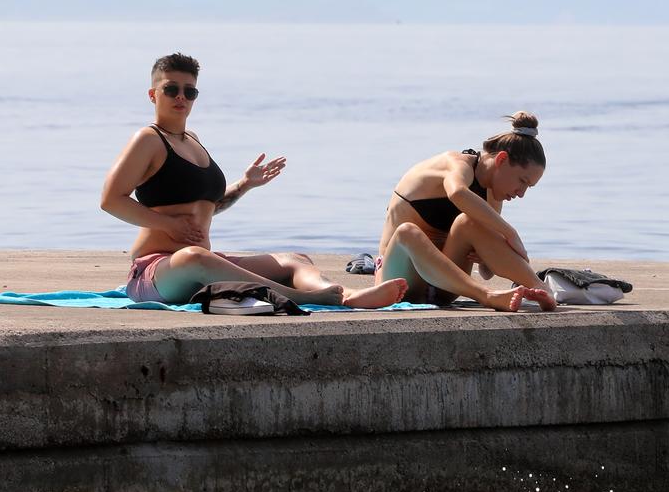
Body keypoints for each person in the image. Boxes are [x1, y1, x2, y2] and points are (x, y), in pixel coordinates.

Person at [101, 52, 408, 308]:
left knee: (293, 259)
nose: (181, 97)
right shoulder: (148, 139)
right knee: (194, 257)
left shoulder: (192, 140)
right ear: (153, 94)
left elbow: (205, 208)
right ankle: (300, 297)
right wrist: (169, 226)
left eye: (189, 91)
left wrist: (244, 185)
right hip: (154, 272)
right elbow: (110, 200)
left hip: (203, 262)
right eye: (171, 89)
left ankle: (349, 295)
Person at [376, 113, 557, 311]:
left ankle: (541, 289)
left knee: (467, 222)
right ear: (502, 159)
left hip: (443, 288)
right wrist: (510, 233)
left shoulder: (492, 196)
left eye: (528, 187)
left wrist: (485, 258)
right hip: (397, 283)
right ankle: (486, 295)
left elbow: (486, 272)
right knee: (407, 232)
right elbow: (456, 192)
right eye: (522, 181)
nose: (521, 194)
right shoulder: (455, 164)